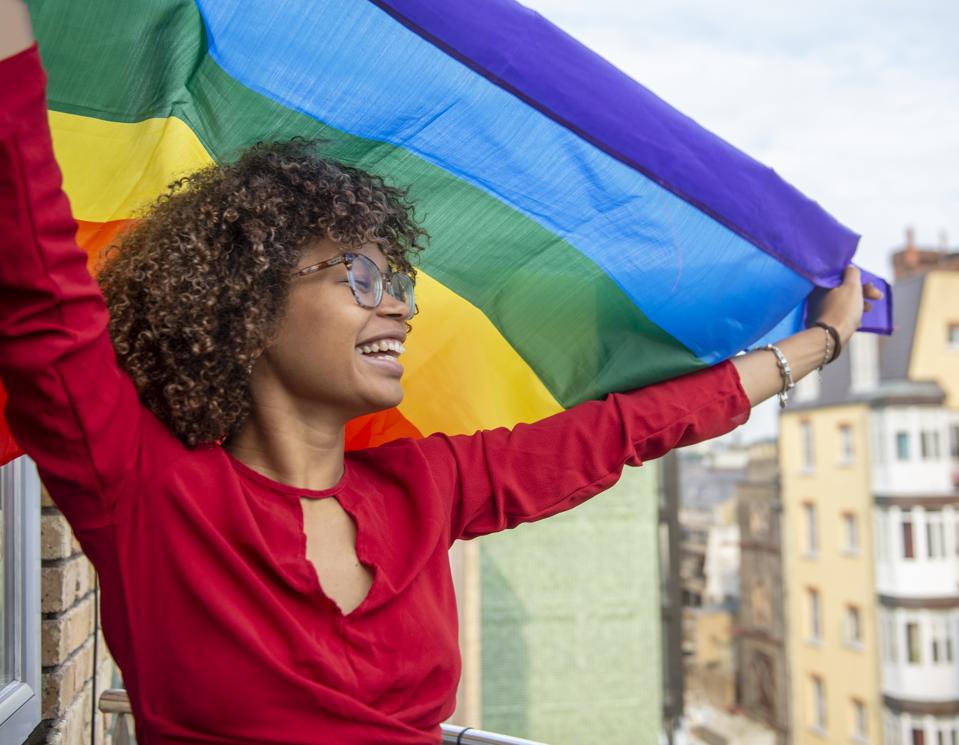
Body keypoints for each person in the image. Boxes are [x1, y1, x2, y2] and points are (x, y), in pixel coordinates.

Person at [0, 3, 882, 744]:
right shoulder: (145, 488)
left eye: (400, 282)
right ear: (250, 302)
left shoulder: (425, 488)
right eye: (361, 277)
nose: (401, 308)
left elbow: (618, 434)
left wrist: (821, 344)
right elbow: (38, 276)